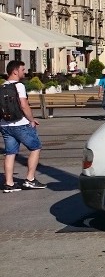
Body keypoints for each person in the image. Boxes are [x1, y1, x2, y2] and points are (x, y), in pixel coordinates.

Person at [2, 60, 46, 192]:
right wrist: (31, 120)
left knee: (10, 153)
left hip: (4, 124)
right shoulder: (18, 86)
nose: (24, 72)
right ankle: (30, 179)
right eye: (22, 69)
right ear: (15, 71)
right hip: (20, 123)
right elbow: (23, 105)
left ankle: (9, 184)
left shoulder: (2, 87)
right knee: (35, 148)